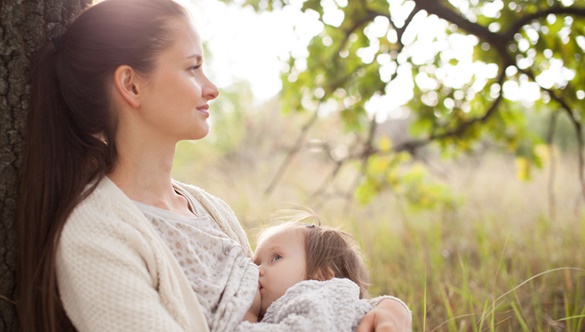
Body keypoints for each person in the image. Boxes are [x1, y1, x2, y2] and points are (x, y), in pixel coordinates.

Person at [16, 0, 412, 331]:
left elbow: (300, 300)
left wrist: (391, 310)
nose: (212, 87)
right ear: (131, 85)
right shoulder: (94, 237)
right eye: (192, 67)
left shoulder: (208, 208)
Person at [235, 210, 411, 331]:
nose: (256, 271)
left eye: (276, 258)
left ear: (321, 276)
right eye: (256, 263)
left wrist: (247, 316)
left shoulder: (318, 296)